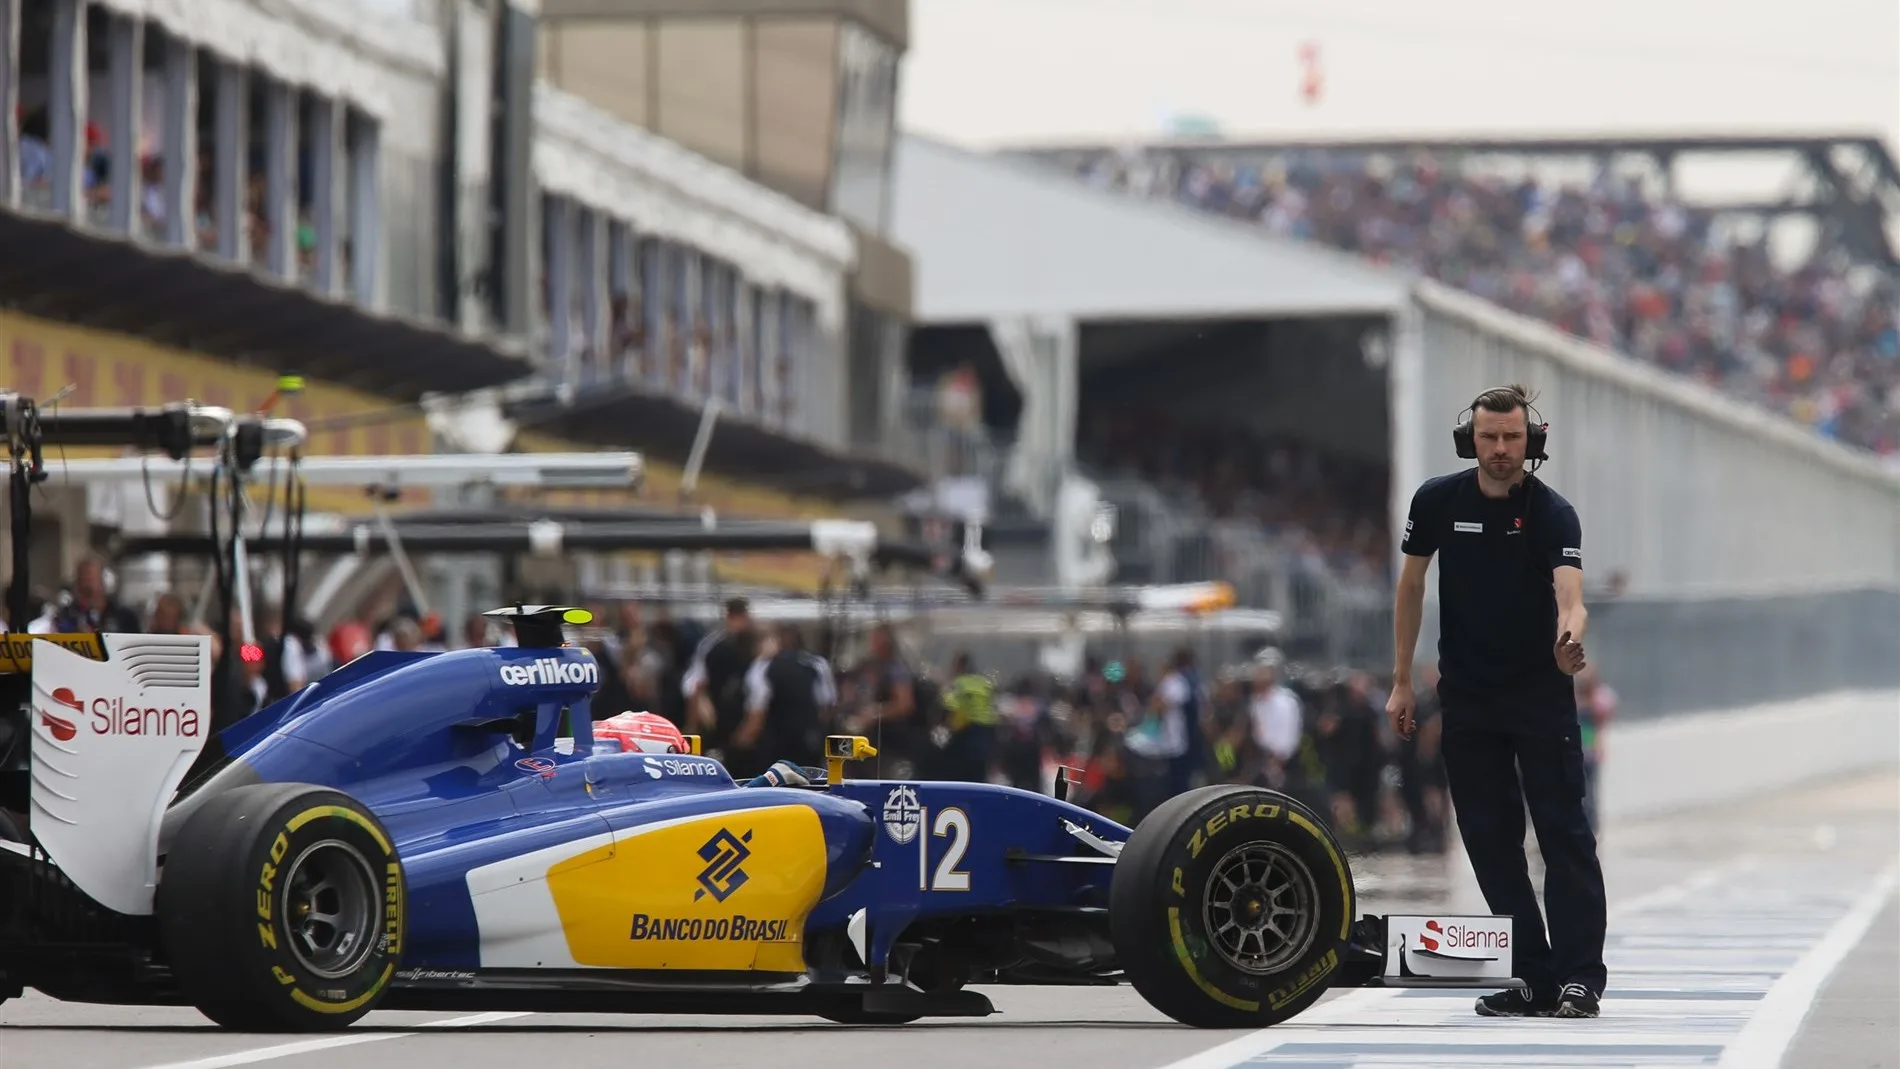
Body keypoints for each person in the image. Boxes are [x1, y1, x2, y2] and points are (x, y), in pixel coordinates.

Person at [1386, 383, 1608, 1020]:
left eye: (1513, 438)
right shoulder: (1435, 500)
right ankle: (1533, 976)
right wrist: (1402, 679)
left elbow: (1572, 595)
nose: (1502, 449)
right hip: (1469, 698)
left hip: (1539, 696)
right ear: (1470, 440)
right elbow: (1409, 587)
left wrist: (1571, 636)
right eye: (1490, 437)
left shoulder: (1551, 513)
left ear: (1529, 441)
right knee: (1487, 838)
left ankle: (1579, 979)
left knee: (1563, 835)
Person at [683, 597, 761, 773]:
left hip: (750, 725)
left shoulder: (756, 646)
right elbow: (697, 687)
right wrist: (695, 726)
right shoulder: (713, 646)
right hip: (722, 722)